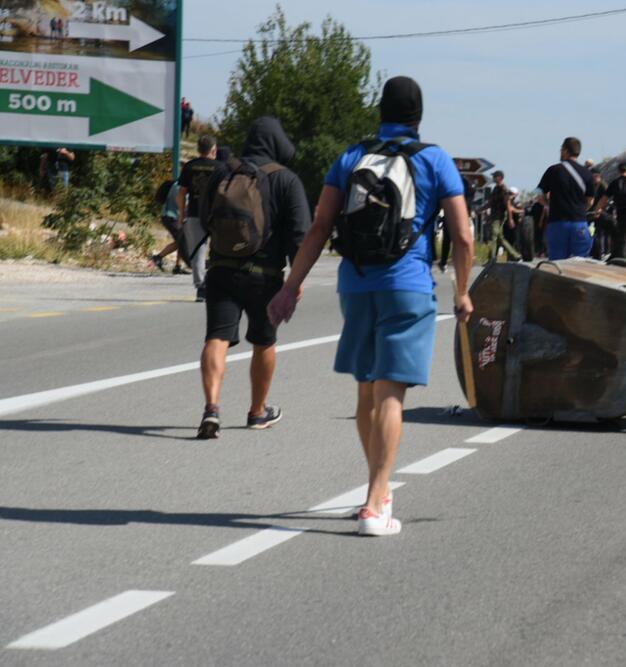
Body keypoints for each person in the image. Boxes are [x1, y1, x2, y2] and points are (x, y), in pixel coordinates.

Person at [268, 76, 474, 537]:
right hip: (408, 284)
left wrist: (291, 286)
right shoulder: (435, 159)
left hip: (356, 285)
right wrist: (462, 291)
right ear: (418, 116)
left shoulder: (351, 157)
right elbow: (462, 234)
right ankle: (374, 502)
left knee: (367, 390)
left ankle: (377, 490)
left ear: (380, 111)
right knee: (390, 393)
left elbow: (320, 226)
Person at [194, 117, 310, 440]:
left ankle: (212, 409)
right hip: (266, 277)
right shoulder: (287, 180)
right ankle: (257, 412)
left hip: (221, 270)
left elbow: (204, 217)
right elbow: (301, 236)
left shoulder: (223, 172)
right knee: (264, 341)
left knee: (216, 337)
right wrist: (295, 281)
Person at [178, 135, 222, 301]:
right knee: (219, 251)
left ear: (198, 150)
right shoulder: (220, 167)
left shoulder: (189, 167)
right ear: (213, 150)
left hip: (195, 213)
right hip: (216, 215)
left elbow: (181, 193)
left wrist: (182, 214)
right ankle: (218, 285)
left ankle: (201, 288)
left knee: (198, 252)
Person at [536, 137, 595, 260]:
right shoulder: (587, 174)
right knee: (581, 262)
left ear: (565, 150)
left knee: (558, 264)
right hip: (579, 223)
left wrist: (548, 206)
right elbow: (590, 201)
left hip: (557, 223)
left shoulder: (553, 170)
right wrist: (580, 210)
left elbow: (539, 195)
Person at [149, 179, 188, 274]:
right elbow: (182, 203)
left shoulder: (178, 184)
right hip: (172, 217)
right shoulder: (180, 186)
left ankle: (177, 266)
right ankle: (158, 257)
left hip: (172, 216)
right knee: (183, 240)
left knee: (181, 241)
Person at [486, 170, 522, 262]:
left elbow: (508, 205)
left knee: (494, 236)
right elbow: (490, 203)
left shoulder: (504, 189)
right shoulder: (495, 189)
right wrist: (480, 210)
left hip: (499, 216)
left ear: (500, 178)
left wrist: (510, 219)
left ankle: (492, 259)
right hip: (494, 216)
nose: (493, 178)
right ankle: (516, 255)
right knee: (500, 238)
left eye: (495, 176)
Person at [589, 168, 612, 259]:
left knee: (600, 232)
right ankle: (593, 251)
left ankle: (601, 252)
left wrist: (601, 209)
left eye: (596, 176)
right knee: (591, 232)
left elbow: (607, 199)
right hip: (591, 211)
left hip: (601, 212)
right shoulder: (591, 185)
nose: (594, 178)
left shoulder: (603, 185)